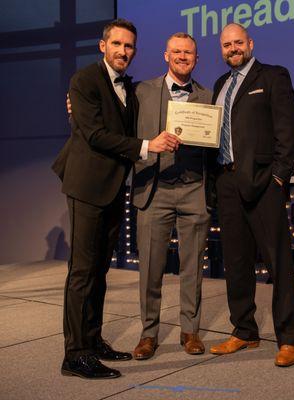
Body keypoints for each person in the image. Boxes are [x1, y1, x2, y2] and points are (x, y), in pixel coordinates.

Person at [52, 19, 180, 379]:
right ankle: (74, 355)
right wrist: (147, 146)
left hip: (111, 188)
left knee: (99, 271)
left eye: (130, 47)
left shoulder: (127, 87)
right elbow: (94, 134)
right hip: (86, 186)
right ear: (102, 45)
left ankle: (91, 341)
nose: (124, 51)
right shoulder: (85, 81)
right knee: (81, 272)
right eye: (118, 44)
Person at [207, 23, 294, 367]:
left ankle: (289, 338)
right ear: (222, 49)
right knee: (236, 263)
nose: (233, 48)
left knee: (278, 264)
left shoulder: (274, 76)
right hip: (227, 183)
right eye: (226, 45)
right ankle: (244, 330)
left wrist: (279, 176)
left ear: (250, 43)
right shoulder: (220, 85)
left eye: (238, 43)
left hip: (264, 184)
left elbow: (288, 130)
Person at [131, 32, 212, 360]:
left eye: (188, 53)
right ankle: (149, 333)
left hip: (194, 188)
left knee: (193, 266)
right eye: (176, 52)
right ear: (166, 55)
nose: (182, 57)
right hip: (154, 187)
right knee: (150, 266)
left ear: (196, 58)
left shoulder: (207, 97)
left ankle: (189, 331)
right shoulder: (141, 91)